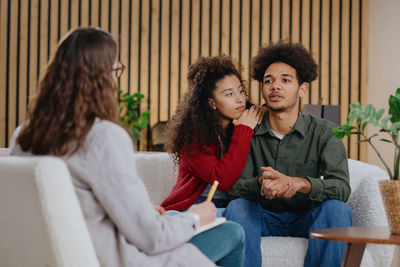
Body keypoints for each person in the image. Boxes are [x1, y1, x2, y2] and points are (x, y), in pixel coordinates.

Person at [10, 27, 245, 267]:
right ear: (100, 79)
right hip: (118, 258)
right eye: (116, 70)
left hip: (63, 255)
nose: (116, 79)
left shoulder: (23, 136)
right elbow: (152, 237)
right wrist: (195, 217)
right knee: (233, 234)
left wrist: (141, 210)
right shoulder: (103, 137)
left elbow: (78, 205)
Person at [224, 41, 352, 267]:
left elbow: (341, 188)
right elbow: (232, 186)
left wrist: (299, 183)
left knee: (337, 210)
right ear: (262, 89)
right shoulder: (247, 130)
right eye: (268, 81)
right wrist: (261, 182)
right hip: (262, 217)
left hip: (308, 217)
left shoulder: (325, 132)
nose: (275, 87)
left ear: (302, 89)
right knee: (238, 207)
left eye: (286, 80)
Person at [160, 55, 263, 214]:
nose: (239, 99)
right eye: (229, 94)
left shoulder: (244, 122)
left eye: (240, 91)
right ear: (212, 102)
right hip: (196, 204)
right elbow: (221, 181)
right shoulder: (193, 135)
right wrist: (244, 130)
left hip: (234, 204)